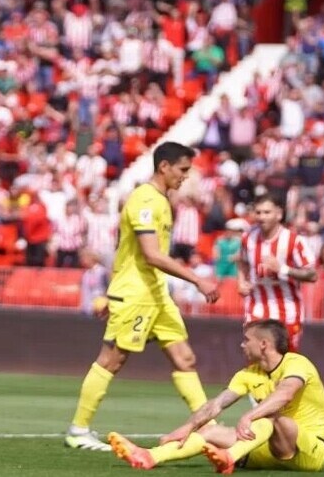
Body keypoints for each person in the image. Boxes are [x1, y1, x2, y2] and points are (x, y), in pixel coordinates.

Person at [65, 141, 220, 451]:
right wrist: (197, 280)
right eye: (183, 170)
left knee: (184, 358)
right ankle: (78, 430)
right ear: (164, 167)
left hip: (156, 294)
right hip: (136, 294)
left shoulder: (161, 200)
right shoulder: (145, 201)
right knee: (111, 360)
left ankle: (210, 429)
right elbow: (151, 254)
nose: (185, 177)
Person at [108, 319, 324, 473]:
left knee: (272, 417)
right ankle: (149, 456)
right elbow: (216, 404)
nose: (242, 344)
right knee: (210, 430)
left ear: (264, 344)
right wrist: (189, 426)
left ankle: (230, 457)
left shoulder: (297, 363)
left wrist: (249, 417)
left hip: (308, 452)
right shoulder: (248, 374)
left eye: (247, 340)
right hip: (269, 450)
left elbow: (285, 395)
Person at [237, 194, 317, 352]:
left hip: (286, 308)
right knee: (255, 355)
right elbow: (242, 261)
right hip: (257, 306)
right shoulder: (248, 238)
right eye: (258, 212)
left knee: (285, 359)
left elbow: (312, 274)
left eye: (267, 212)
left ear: (279, 214)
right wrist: (240, 281)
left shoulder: (294, 240)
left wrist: (282, 269)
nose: (261, 217)